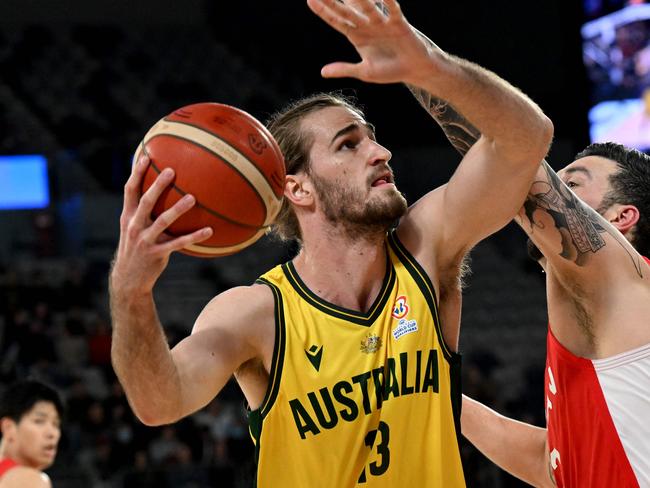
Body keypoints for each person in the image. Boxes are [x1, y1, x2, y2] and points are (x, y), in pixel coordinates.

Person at [109, 0, 552, 486]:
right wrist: (130, 293)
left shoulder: (427, 247)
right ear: (296, 188)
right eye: (349, 144)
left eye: (373, 138)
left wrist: (433, 67)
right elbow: (158, 403)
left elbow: (527, 139)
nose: (381, 153)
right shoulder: (257, 313)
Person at [422, 81, 650, 486]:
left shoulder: (621, 282)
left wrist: (418, 64)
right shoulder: (598, 321)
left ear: (620, 218)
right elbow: (553, 464)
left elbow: (512, 160)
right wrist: (438, 394)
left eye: (572, 187)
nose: (547, 191)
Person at [0, 380, 64, 488]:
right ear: (9, 428)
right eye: (39, 421)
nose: (52, 433)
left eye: (55, 424)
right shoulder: (28, 479)